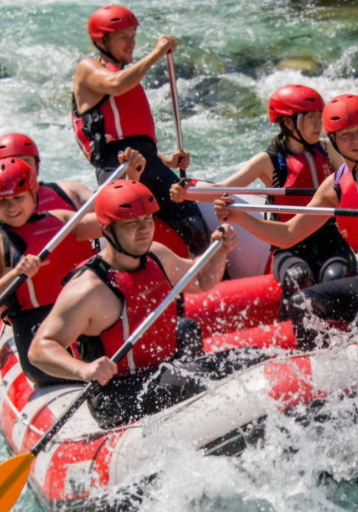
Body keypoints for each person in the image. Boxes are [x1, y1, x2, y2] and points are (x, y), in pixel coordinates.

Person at [215, 94, 358, 350]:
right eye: (345, 135)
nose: (354, 141)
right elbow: (288, 234)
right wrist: (240, 217)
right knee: (302, 303)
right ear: (332, 139)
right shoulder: (333, 188)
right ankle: (316, 366)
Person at [28, 180, 238, 428]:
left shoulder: (156, 255)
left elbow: (201, 281)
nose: (143, 230)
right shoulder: (89, 289)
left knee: (193, 333)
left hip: (163, 372)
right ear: (106, 230)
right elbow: (39, 350)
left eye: (147, 220)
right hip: (116, 394)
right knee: (196, 378)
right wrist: (84, 371)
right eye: (131, 223)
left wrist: (221, 251)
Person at [170, 85, 355, 313]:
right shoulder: (270, 161)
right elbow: (224, 189)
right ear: (288, 123)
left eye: (320, 116)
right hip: (291, 247)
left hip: (330, 241)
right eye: (310, 118)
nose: (318, 124)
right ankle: (293, 329)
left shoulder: (328, 149)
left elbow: (355, 180)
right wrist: (186, 192)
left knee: (336, 275)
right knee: (299, 277)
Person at [71, 5, 209, 255]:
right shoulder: (88, 69)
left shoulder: (127, 77)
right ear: (101, 41)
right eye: (123, 37)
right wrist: (157, 52)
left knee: (198, 232)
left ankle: (206, 287)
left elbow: (136, 140)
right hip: (117, 168)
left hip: (152, 166)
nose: (131, 43)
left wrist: (166, 160)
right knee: (128, 239)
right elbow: (115, 85)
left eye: (133, 36)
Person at [0, 154, 144, 385]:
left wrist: (132, 178)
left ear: (32, 193)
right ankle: (85, 372)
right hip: (39, 339)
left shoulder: (59, 221)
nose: (12, 207)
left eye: (18, 198)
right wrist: (16, 273)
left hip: (80, 318)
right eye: (3, 202)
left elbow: (112, 222)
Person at [0, 133, 93, 212]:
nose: (19, 170)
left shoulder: (69, 191)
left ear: (37, 166)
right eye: (11, 164)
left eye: (26, 162)